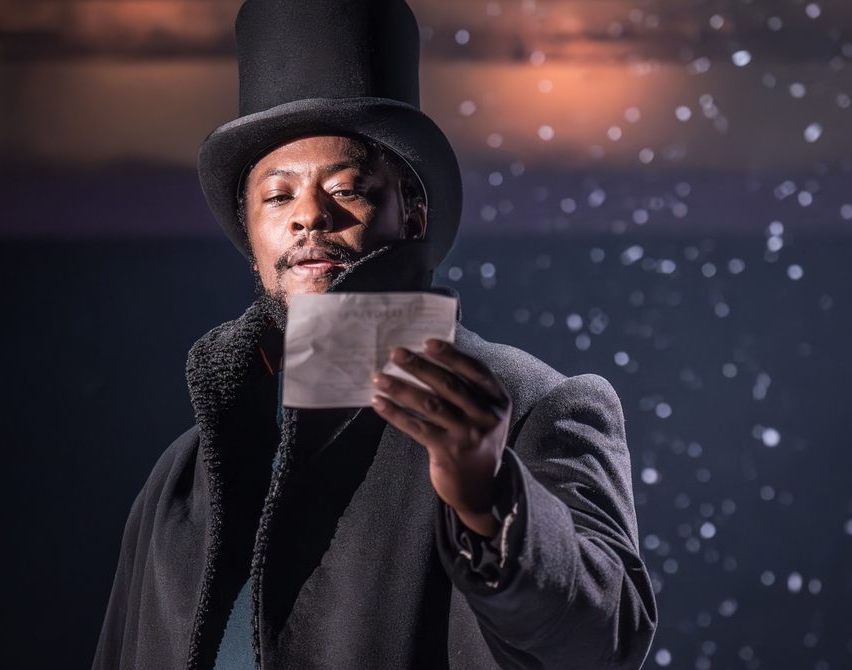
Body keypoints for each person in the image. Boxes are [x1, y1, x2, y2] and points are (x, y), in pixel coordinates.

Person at [92, 1, 657, 668]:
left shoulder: (528, 405)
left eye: (348, 189)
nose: (309, 215)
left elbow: (606, 644)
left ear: (411, 215)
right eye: (277, 198)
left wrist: (491, 501)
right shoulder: (182, 474)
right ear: (251, 244)